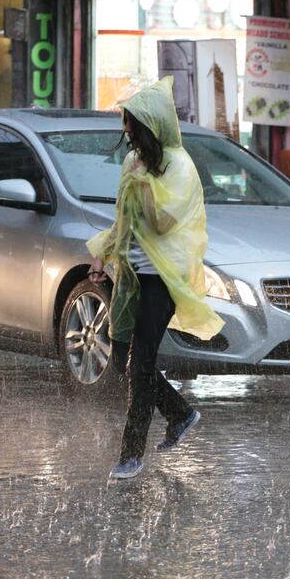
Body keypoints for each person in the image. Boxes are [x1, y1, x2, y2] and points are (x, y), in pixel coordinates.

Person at [88, 76, 224, 480]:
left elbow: (162, 223)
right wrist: (104, 255)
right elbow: (125, 218)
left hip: (163, 279)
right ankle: (180, 412)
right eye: (125, 123)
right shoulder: (134, 163)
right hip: (132, 275)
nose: (126, 131)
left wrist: (144, 181)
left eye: (132, 124)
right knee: (121, 361)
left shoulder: (179, 167)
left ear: (152, 127)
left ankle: (131, 453)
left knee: (142, 362)